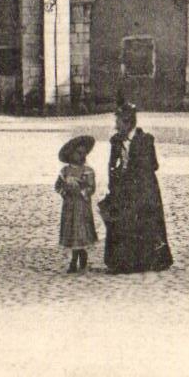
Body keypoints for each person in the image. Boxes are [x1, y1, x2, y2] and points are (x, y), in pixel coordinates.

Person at [102, 102, 174, 274]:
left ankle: (147, 261)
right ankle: (122, 263)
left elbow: (153, 165)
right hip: (123, 188)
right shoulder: (116, 141)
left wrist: (131, 171)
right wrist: (114, 183)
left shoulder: (145, 140)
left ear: (128, 123)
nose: (115, 126)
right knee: (121, 222)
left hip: (144, 188)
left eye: (118, 122)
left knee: (144, 222)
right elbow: (111, 165)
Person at [55, 134, 98, 274]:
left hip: (81, 205)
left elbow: (91, 188)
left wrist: (82, 190)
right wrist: (64, 191)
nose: (82, 156)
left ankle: (76, 258)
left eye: (83, 153)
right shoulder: (65, 171)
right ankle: (79, 256)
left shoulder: (88, 171)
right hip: (69, 205)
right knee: (72, 230)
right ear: (71, 154)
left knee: (80, 230)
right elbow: (57, 186)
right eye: (78, 153)